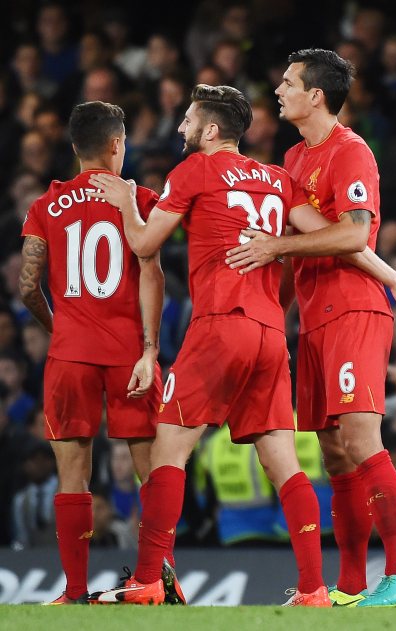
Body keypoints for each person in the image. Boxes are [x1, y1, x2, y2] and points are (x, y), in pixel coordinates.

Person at [88, 84, 341, 607]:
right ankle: (315, 588)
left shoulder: (196, 171)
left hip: (219, 323)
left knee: (169, 448)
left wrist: (126, 203)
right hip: (270, 332)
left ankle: (147, 580)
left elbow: (142, 245)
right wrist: (278, 312)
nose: (180, 129)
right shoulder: (277, 179)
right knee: (283, 462)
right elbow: (309, 244)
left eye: (187, 121)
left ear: (210, 130)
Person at [222, 49, 396, 607]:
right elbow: (298, 242)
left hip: (355, 311)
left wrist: (277, 246)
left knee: (361, 438)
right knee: (333, 454)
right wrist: (273, 313)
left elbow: (354, 234)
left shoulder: (351, 153)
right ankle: (352, 586)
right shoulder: (292, 156)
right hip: (312, 322)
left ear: (316, 95)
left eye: (288, 83)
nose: (278, 90)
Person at [18, 101, 167, 605]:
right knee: (152, 470)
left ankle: (75, 592)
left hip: (70, 355)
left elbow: (26, 287)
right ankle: (155, 581)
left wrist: (59, 328)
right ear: (117, 145)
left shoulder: (44, 205)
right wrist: (151, 346)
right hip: (130, 352)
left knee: (72, 474)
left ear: (74, 147)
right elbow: (153, 272)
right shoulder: (140, 199)